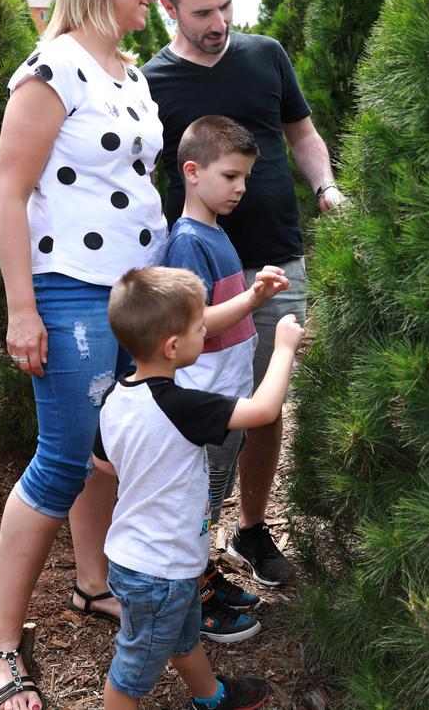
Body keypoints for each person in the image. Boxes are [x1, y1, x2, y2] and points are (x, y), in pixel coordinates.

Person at [0, 0, 168, 710]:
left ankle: (91, 585)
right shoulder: (52, 67)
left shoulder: (128, 69)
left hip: (130, 291)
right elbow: (8, 193)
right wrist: (23, 308)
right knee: (62, 457)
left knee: (106, 443)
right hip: (70, 288)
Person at [142, 0, 345, 586]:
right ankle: (188, 555)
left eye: (226, 6)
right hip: (197, 278)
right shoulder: (152, 82)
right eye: (202, 12)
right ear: (170, 7)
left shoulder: (266, 56)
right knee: (201, 419)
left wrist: (326, 187)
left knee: (265, 406)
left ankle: (251, 532)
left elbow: (303, 136)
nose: (219, 23)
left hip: (277, 261)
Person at [93, 265, 304, 710]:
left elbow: (101, 462)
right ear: (174, 347)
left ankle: (211, 697)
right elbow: (264, 410)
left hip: (146, 559)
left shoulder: (116, 397)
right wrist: (283, 346)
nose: (205, 329)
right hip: (160, 571)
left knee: (183, 635)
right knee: (130, 674)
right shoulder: (180, 406)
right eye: (200, 327)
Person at [167, 114, 292, 642]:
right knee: (198, 502)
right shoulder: (187, 242)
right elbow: (192, 324)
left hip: (227, 393)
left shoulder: (215, 231)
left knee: (210, 499)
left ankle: (205, 575)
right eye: (230, 176)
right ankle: (191, 601)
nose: (241, 188)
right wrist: (255, 298)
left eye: (245, 177)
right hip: (206, 400)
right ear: (193, 172)